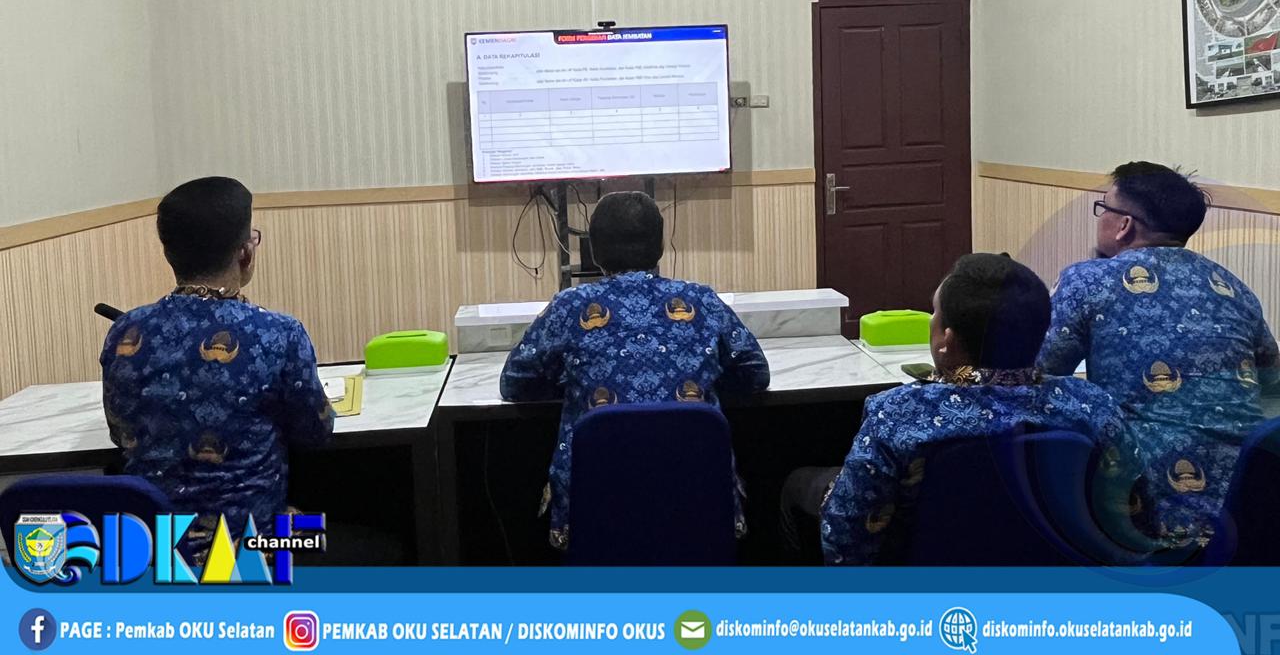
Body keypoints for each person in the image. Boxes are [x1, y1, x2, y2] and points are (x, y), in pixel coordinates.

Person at [781, 253, 1141, 565]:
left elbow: (847, 534)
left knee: (798, 484)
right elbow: (1133, 514)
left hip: (929, 591)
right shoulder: (1092, 407)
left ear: (946, 340)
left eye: (934, 312)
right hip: (1053, 591)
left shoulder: (898, 414)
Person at [500, 191, 770, 550]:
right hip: (699, 513)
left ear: (594, 250)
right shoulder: (701, 300)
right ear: (660, 246)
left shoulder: (570, 305)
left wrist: (572, 380)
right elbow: (755, 373)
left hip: (594, 518)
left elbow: (515, 382)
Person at [1038, 161, 1279, 546]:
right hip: (1252, 505)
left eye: (1103, 208)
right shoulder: (1233, 287)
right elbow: (1272, 381)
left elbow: (1038, 373)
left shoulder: (1086, 280)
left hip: (1150, 510)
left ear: (1124, 224)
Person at [100, 177, 334, 556]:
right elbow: (316, 431)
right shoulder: (278, 333)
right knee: (375, 538)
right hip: (252, 546)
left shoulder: (125, 332)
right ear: (245, 253)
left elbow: (121, 435)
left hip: (154, 551)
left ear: (169, 254)